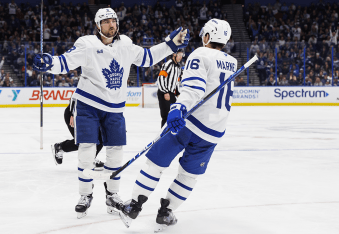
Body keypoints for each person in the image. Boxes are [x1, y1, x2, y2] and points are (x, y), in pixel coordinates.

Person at [33, 8, 190, 219]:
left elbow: (147, 57)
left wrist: (170, 45)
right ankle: (85, 195)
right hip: (88, 104)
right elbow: (66, 61)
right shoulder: (87, 44)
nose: (111, 25)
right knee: (87, 152)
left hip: (115, 108)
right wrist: (49, 63)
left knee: (116, 154)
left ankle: (112, 195)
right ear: (98, 26)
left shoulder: (125, 44)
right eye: (106, 22)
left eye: (113, 21)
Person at [107, 19, 237, 232]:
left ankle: (134, 205)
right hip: (214, 131)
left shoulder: (199, 54)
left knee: (155, 163)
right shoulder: (232, 62)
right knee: (189, 175)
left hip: (189, 123)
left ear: (207, 36)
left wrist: (178, 108)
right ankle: (166, 212)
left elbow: (194, 89)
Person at [51, 95, 104, 170]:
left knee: (102, 137)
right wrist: (72, 114)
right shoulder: (88, 85)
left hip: (90, 117)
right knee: (83, 142)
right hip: (76, 116)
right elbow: (74, 97)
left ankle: (91, 159)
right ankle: (60, 147)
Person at [157, 49, 184, 127]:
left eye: (182, 55)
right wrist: (165, 92)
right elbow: (161, 78)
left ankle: (171, 133)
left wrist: (178, 93)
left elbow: (176, 82)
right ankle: (163, 135)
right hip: (164, 92)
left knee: (173, 115)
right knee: (165, 116)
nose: (180, 57)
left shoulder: (178, 68)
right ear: (174, 54)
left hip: (171, 94)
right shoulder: (168, 64)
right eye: (179, 55)